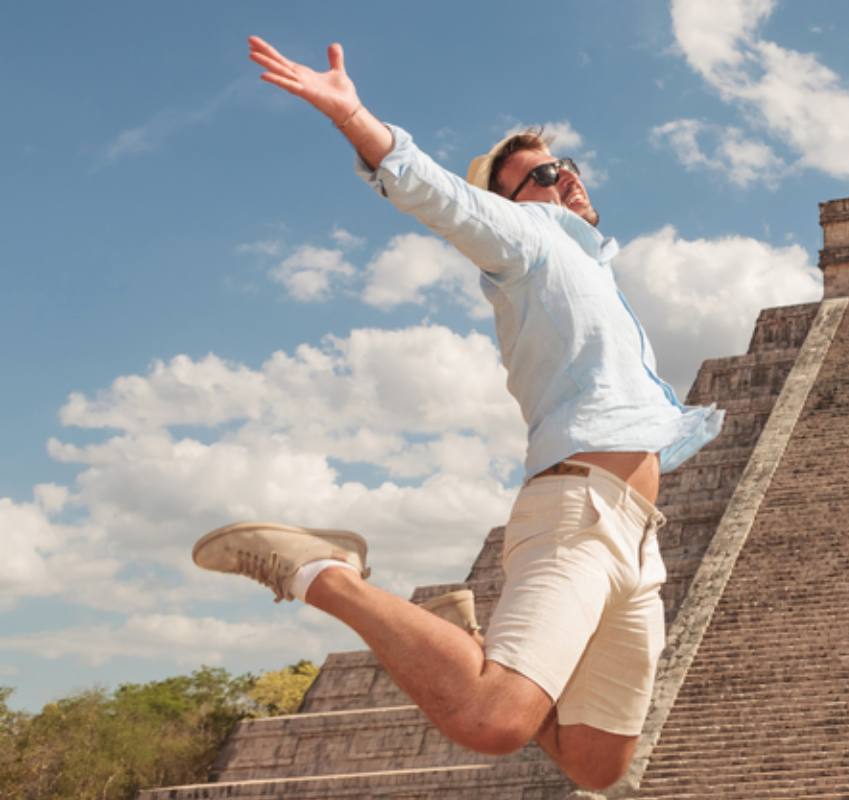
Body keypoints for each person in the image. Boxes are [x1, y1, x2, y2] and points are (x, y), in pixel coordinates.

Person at [191, 37, 721, 790]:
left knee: (597, 766)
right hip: (580, 512)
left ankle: (452, 632)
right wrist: (357, 119)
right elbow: (443, 199)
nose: (562, 175)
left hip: (640, 545)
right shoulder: (528, 240)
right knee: (492, 719)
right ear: (513, 202)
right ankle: (321, 572)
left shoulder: (590, 267)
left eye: (565, 164)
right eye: (539, 173)